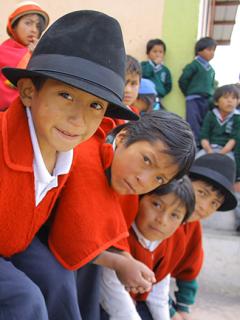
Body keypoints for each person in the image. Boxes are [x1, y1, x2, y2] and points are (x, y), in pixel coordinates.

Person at [0, 10, 138, 320]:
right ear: (27, 92)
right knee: (24, 299)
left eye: (95, 105)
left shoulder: (68, 151)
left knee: (61, 278)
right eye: (65, 95)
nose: (79, 119)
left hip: (15, 241)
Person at [48, 110, 196, 319]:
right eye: (146, 160)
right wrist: (120, 262)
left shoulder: (126, 188)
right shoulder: (86, 155)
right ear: (123, 137)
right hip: (34, 245)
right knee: (55, 278)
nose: (143, 180)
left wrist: (125, 258)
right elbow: (69, 240)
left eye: (159, 179)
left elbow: (113, 238)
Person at [99, 176, 195, 320]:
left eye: (174, 215)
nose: (162, 220)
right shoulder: (120, 233)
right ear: (139, 198)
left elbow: (159, 291)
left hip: (135, 301)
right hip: (103, 300)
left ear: (183, 222)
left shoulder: (173, 243)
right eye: (156, 205)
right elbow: (112, 293)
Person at [170, 153, 237, 320]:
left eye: (214, 203)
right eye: (202, 193)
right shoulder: (159, 215)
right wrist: (169, 311)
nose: (205, 206)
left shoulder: (193, 227)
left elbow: (189, 271)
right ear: (184, 181)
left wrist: (183, 309)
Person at [0, 1, 49, 110]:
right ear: (14, 26)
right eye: (28, 23)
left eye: (38, 26)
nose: (34, 30)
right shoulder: (1, 52)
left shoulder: (43, 53)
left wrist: (38, 56)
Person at [178, 37, 217, 147]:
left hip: (207, 100)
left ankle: (202, 146)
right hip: (193, 99)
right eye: (209, 50)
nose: (212, 53)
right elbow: (183, 80)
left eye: (214, 50)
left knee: (204, 123)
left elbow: (212, 86)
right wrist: (189, 93)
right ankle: (192, 146)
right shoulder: (193, 65)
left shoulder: (212, 70)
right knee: (192, 123)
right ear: (199, 50)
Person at [197, 84, 240, 162]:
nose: (230, 101)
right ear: (216, 102)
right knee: (196, 161)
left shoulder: (237, 117)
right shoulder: (210, 115)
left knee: (229, 164)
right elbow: (204, 136)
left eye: (234, 98)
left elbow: (233, 140)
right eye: (226, 97)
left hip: (226, 151)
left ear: (238, 102)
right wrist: (210, 152)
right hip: (208, 149)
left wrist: (220, 154)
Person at [141, 38, 172, 109]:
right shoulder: (144, 65)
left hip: (159, 98)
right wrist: (154, 63)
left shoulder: (165, 70)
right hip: (145, 97)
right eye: (154, 51)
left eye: (160, 52)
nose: (158, 54)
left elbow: (168, 85)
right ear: (148, 54)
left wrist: (162, 91)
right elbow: (145, 73)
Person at [114, 54, 141, 125]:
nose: (128, 90)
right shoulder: (105, 116)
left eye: (133, 83)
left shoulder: (134, 112)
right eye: (123, 83)